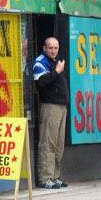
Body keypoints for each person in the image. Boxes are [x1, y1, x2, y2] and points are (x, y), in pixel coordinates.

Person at [33, 37, 69, 189]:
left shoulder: (57, 60)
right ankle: (45, 177)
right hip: (50, 106)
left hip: (61, 106)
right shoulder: (40, 62)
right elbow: (40, 82)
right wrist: (56, 72)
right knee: (48, 143)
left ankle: (54, 176)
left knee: (58, 144)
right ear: (44, 48)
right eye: (51, 48)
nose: (53, 51)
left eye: (56, 48)